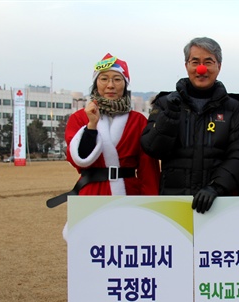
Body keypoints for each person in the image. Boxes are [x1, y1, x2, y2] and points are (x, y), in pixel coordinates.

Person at [140, 37, 239, 213]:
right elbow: (152, 148)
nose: (202, 69)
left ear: (219, 66)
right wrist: (170, 115)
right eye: (195, 62)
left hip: (218, 205)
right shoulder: (165, 103)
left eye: (208, 62)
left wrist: (216, 187)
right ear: (186, 66)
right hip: (174, 204)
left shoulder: (233, 108)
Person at [47, 53, 160, 213]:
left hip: (130, 193)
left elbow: (148, 169)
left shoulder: (138, 120)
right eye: (104, 79)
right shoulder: (79, 118)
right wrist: (91, 125)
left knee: (129, 237)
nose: (110, 85)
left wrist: (151, 205)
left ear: (125, 84)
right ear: (96, 83)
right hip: (92, 193)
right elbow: (78, 159)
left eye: (117, 79)